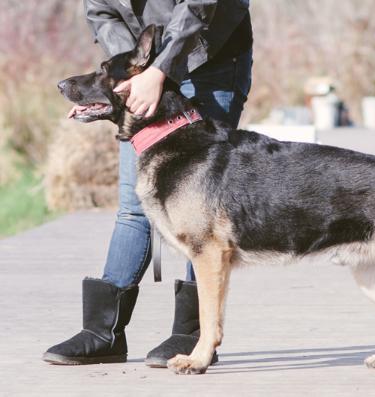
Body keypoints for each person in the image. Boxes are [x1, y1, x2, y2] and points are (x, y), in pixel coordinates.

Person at [43, 0, 253, 368]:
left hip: (210, 57)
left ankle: (192, 334)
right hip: (145, 64)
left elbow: (198, 6)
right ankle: (102, 332)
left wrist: (156, 69)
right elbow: (101, 12)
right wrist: (131, 70)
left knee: (200, 205)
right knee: (134, 202)